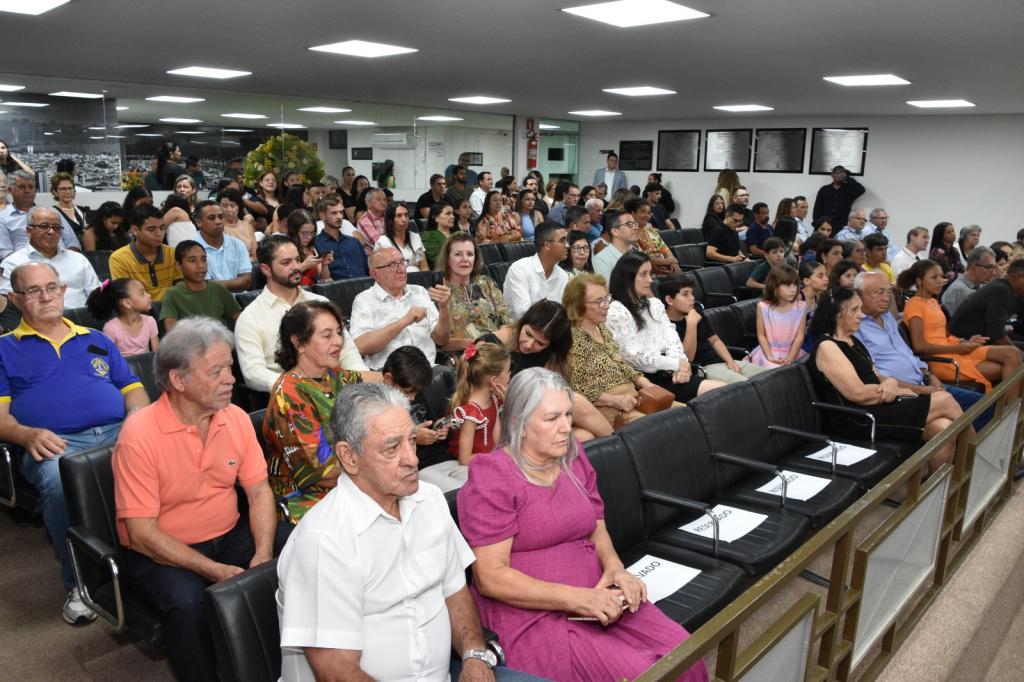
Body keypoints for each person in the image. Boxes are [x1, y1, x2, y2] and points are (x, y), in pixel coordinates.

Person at [457, 367, 708, 681]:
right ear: (520, 423)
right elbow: (490, 578)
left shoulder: (572, 457)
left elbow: (596, 524)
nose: (566, 428)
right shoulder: (492, 476)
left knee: (686, 657)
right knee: (640, 674)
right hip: (537, 613)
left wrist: (614, 567)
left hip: (599, 594)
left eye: (568, 414)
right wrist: (579, 598)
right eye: (552, 419)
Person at [275, 382, 535, 682]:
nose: (412, 458)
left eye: (412, 441)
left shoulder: (430, 501)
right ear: (349, 457)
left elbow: (454, 592)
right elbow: (337, 673)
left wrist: (474, 655)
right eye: (392, 447)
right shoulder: (324, 540)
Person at [113, 317, 281, 682]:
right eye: (217, 371)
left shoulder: (233, 417)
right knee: (188, 605)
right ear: (178, 380)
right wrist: (216, 572)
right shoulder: (139, 435)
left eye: (230, 368)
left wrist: (263, 552)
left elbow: (258, 491)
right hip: (162, 550)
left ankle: (285, 665)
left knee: (296, 554)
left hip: (228, 533)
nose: (231, 379)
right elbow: (142, 533)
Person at [0, 262, 149, 624]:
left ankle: (164, 558)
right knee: (59, 482)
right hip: (56, 443)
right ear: (17, 300)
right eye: (33, 290)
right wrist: (26, 434)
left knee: (167, 454)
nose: (46, 295)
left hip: (118, 430)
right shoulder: (4, 349)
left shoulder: (95, 338)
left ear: (64, 291)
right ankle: (81, 583)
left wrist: (136, 422)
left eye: (51, 287)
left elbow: (135, 391)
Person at [807, 285, 961, 474]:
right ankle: (978, 456)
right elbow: (857, 394)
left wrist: (891, 382)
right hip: (858, 419)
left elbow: (876, 375)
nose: (861, 315)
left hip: (877, 407)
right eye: (854, 310)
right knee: (944, 400)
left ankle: (935, 492)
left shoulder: (852, 340)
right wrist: (892, 389)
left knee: (943, 427)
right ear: (837, 314)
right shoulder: (827, 346)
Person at [263, 301, 366, 523]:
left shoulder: (333, 376)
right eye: (327, 335)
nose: (338, 341)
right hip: (309, 502)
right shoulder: (289, 394)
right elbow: (326, 474)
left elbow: (379, 382)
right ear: (299, 343)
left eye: (338, 333)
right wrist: (377, 461)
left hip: (352, 482)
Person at [852, 271, 988, 429]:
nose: (886, 297)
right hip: (900, 393)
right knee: (947, 424)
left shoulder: (887, 317)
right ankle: (967, 451)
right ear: (859, 295)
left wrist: (929, 375)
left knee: (984, 405)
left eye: (888, 291)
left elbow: (907, 353)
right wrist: (923, 390)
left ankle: (971, 450)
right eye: (878, 292)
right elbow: (875, 376)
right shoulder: (856, 327)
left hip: (923, 381)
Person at [236, 235, 368, 393]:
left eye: (297, 259)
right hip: (290, 399)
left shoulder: (320, 302)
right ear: (266, 269)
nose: (296, 267)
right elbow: (253, 373)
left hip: (340, 389)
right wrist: (297, 387)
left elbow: (347, 351)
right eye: (286, 262)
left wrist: (362, 383)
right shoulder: (251, 317)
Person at [606, 252, 725, 400]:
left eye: (650, 273)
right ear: (627, 278)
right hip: (648, 378)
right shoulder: (616, 311)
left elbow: (672, 338)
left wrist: (681, 366)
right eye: (644, 274)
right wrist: (676, 364)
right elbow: (633, 354)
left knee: (725, 392)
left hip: (673, 370)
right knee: (720, 392)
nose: (650, 280)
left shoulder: (654, 304)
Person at [900, 259, 1020, 391]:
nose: (941, 280)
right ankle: (1008, 409)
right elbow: (919, 346)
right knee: (1008, 369)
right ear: (919, 281)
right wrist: (957, 349)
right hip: (941, 360)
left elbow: (946, 336)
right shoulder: (914, 305)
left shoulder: (933, 302)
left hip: (953, 350)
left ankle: (1009, 408)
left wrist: (965, 341)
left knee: (1012, 353)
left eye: (942, 276)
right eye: (934, 277)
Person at [563, 273, 660, 428]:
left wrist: (643, 381)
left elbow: (619, 362)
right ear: (578, 305)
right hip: (607, 407)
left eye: (606, 298)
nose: (607, 305)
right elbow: (576, 389)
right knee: (656, 428)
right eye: (599, 301)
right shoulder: (571, 338)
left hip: (631, 397)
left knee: (682, 413)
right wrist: (613, 400)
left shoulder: (601, 328)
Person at [350, 247, 452, 370]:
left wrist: (444, 308)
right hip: (391, 376)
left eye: (402, 262)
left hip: (429, 369)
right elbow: (361, 346)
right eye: (392, 265)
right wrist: (405, 321)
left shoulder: (419, 292)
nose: (401, 270)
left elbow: (441, 340)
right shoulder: (364, 300)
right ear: (374, 273)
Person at [660, 274, 767, 383]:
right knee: (746, 385)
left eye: (691, 293)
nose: (692, 298)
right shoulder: (664, 325)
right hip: (702, 368)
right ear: (670, 300)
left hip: (721, 362)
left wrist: (730, 361)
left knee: (768, 376)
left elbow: (715, 340)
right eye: (685, 294)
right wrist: (691, 324)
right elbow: (688, 358)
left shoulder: (696, 311)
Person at [0, 205, 100, 308]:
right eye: (44, 226)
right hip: (38, 322)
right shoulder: (12, 264)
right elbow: (9, 308)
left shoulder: (78, 259)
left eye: (56, 227)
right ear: (29, 231)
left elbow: (97, 296)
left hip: (82, 320)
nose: (51, 231)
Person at [437, 233, 512, 348]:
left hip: (497, 350)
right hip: (463, 356)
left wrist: (494, 343)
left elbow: (506, 321)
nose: (465, 259)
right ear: (447, 259)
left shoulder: (486, 283)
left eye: (470, 254)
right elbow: (441, 342)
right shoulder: (439, 292)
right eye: (458, 254)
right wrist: (478, 345)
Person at [159, 239, 241, 332]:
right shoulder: (172, 295)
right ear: (179, 265)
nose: (201, 265)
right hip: (191, 343)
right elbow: (171, 330)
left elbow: (240, 319)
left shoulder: (219, 289)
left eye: (204, 259)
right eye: (192, 260)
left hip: (222, 342)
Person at [0, 170, 82, 260]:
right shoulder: (3, 218)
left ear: (35, 191)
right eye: (21, 187)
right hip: (26, 267)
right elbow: (5, 253)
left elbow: (73, 242)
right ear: (10, 190)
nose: (27, 191)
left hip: (63, 261)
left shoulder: (52, 212)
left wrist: (68, 261)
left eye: (31, 187)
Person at [108, 204, 180, 301]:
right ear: (135, 230)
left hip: (172, 311)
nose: (159, 234)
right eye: (151, 229)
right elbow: (125, 299)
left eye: (162, 228)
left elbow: (181, 290)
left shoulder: (173, 253)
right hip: (139, 313)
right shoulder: (119, 258)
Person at [503, 221, 570, 319]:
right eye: (562, 241)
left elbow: (563, 312)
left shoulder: (562, 275)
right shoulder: (520, 269)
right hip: (520, 330)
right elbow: (523, 314)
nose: (567, 245)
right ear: (547, 245)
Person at [949, 259, 1024, 347]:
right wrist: (1018, 355)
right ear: (1016, 277)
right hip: (966, 341)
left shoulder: (1015, 292)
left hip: (985, 336)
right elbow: (997, 335)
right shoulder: (1001, 290)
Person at [749, 265, 808, 367]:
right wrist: (769, 356)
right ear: (775, 285)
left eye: (795, 284)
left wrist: (792, 357)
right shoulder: (763, 307)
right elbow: (761, 335)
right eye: (787, 285)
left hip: (793, 352)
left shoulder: (801, 306)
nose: (793, 289)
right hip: (768, 352)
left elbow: (800, 335)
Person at [86, 278, 159, 356]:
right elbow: (112, 358)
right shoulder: (111, 328)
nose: (149, 295)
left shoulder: (150, 321)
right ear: (127, 303)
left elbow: (157, 355)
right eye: (142, 293)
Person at [193, 200, 251, 292]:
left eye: (221, 217)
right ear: (199, 223)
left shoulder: (237, 244)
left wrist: (215, 284)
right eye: (211, 218)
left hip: (239, 301)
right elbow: (202, 285)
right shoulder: (192, 248)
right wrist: (235, 282)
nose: (218, 221)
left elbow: (246, 281)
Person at [314, 196, 369, 280]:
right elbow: (318, 277)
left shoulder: (354, 242)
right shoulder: (316, 243)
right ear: (322, 216)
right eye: (334, 213)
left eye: (341, 212)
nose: (339, 217)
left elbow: (366, 270)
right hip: (334, 290)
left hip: (363, 288)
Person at [627, 197, 679, 275]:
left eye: (649, 213)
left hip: (665, 267)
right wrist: (667, 262)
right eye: (643, 212)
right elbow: (642, 258)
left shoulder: (652, 231)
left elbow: (666, 251)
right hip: (646, 272)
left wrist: (673, 264)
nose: (647, 215)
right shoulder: (629, 234)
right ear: (633, 214)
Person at [942, 246, 997, 316]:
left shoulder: (981, 286)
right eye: (989, 267)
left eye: (994, 268)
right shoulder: (959, 290)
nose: (994, 273)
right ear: (974, 267)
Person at [375, 200, 428, 271]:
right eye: (399, 215)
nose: (404, 219)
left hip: (417, 279)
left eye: (406, 215)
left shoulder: (415, 237)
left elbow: (424, 267)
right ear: (390, 220)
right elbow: (380, 272)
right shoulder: (382, 242)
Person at [286, 209, 333, 286]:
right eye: (304, 233)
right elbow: (282, 276)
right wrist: (304, 266)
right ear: (293, 231)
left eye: (312, 233)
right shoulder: (285, 249)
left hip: (310, 291)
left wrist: (324, 265)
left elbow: (325, 278)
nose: (309, 237)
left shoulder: (311, 249)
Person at [592, 208, 641, 279]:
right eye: (629, 224)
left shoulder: (636, 253)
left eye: (635, 223)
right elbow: (608, 289)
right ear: (615, 231)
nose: (636, 228)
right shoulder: (602, 259)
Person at [220, 188, 258, 262]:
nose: (229, 210)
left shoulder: (247, 225)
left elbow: (255, 255)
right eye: (224, 206)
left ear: (239, 207)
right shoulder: (217, 227)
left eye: (233, 206)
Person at [50, 172, 87, 241]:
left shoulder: (82, 210)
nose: (67, 192)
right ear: (55, 192)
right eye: (63, 189)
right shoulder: (52, 213)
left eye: (70, 188)